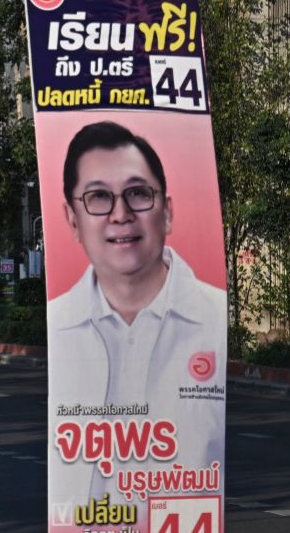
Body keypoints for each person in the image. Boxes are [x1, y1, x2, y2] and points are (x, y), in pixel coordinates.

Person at [48, 120, 226, 504]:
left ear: (167, 212)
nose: (120, 214)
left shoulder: (214, 319)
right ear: (71, 221)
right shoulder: (56, 326)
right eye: (98, 197)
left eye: (138, 193)